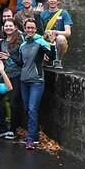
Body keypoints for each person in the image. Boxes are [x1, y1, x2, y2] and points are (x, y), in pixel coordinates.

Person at [18, 18, 55, 149]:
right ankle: (34, 135)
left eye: (32, 28)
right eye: (28, 28)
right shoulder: (22, 45)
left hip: (36, 81)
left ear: (36, 29)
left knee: (33, 109)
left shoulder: (40, 42)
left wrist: (52, 43)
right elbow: (21, 63)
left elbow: (52, 56)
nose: (30, 30)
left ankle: (30, 139)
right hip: (24, 81)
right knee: (28, 109)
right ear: (25, 29)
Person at [0, 19, 24, 140]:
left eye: (10, 26)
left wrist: (10, 56)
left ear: (15, 28)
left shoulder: (20, 41)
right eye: (6, 26)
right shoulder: (2, 42)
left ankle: (13, 130)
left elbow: (21, 61)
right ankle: (2, 127)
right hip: (5, 75)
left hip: (16, 75)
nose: (8, 28)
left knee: (14, 103)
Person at [40, 0, 72, 69]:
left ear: (58, 1)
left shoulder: (64, 13)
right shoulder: (43, 14)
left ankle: (58, 61)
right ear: (47, 1)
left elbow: (68, 32)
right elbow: (39, 32)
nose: (52, 0)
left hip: (57, 39)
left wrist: (55, 32)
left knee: (61, 39)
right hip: (46, 40)